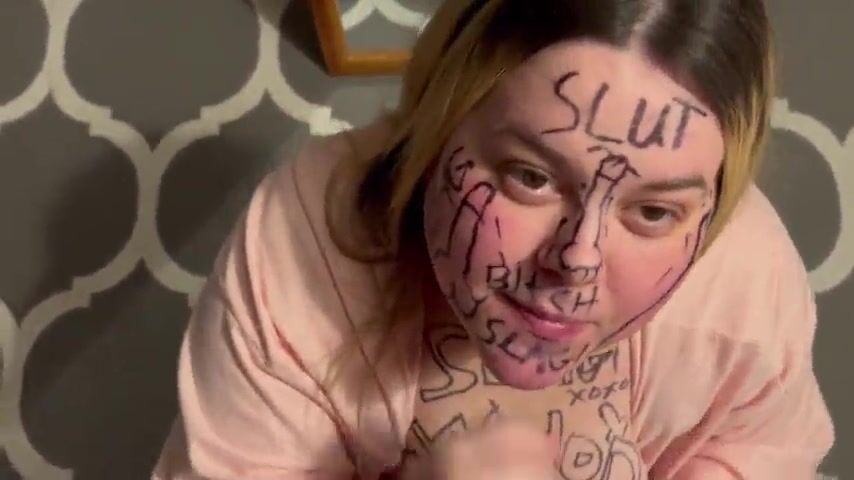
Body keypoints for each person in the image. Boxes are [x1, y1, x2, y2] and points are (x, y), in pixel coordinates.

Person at [152, 0, 835, 478]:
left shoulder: (746, 290)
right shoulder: (302, 241)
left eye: (653, 213)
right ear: (438, 119)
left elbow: (763, 450)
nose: (577, 260)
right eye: (530, 177)